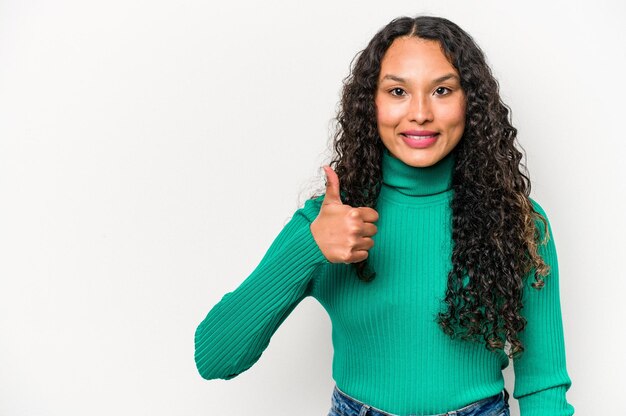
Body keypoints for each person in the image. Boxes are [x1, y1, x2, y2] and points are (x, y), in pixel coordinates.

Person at [194, 15, 575, 416]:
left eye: (442, 90)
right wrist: (309, 246)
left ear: (471, 102)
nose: (420, 113)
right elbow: (216, 358)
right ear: (370, 103)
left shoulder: (516, 222)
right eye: (398, 91)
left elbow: (543, 383)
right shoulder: (331, 221)